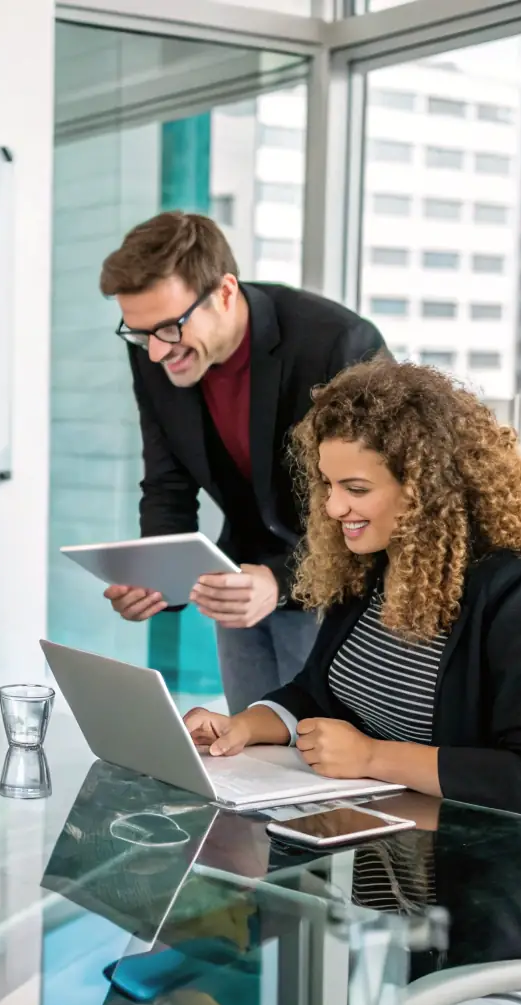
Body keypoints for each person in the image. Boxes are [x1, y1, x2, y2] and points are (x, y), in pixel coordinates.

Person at [183, 361, 521, 821]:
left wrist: (371, 756)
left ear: (424, 488)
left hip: (471, 868)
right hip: (383, 861)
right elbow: (316, 693)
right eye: (328, 485)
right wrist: (242, 726)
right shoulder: (374, 561)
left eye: (355, 488)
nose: (333, 507)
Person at [98, 210, 390, 713]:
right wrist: (159, 578)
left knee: (324, 763)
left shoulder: (337, 344)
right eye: (140, 333)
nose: (154, 353)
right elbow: (168, 482)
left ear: (225, 292)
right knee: (252, 756)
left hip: (341, 582)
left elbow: (379, 498)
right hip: (238, 584)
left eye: (168, 328)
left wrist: (279, 581)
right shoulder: (157, 346)